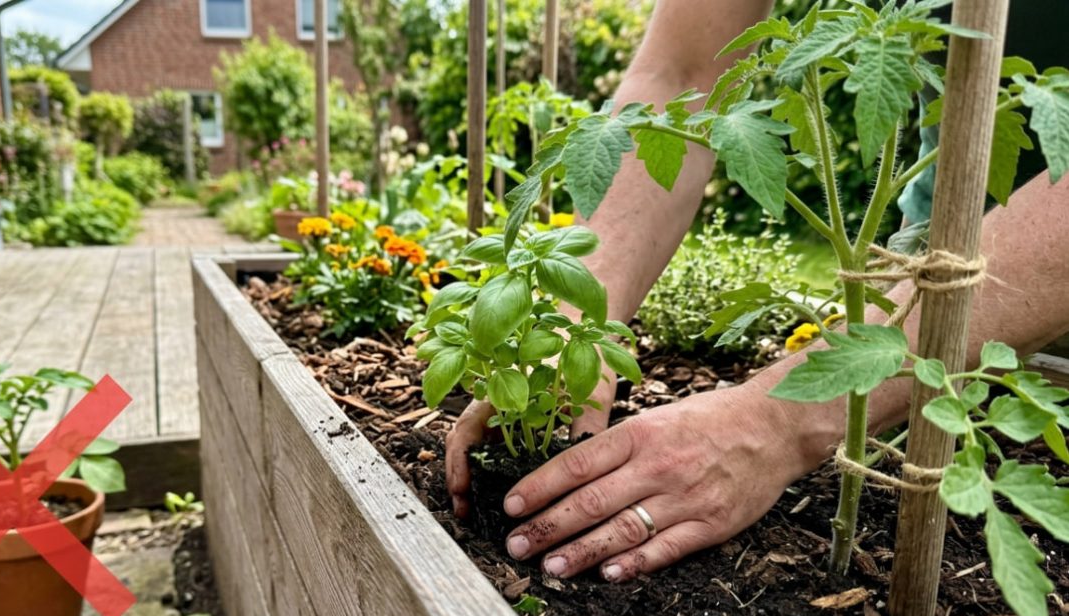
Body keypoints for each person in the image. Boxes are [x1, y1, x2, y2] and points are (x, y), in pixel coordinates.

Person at [444, 0, 1069, 583]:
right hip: (918, 297)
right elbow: (681, 71)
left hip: (1004, 315)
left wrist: (775, 422)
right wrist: (577, 328)